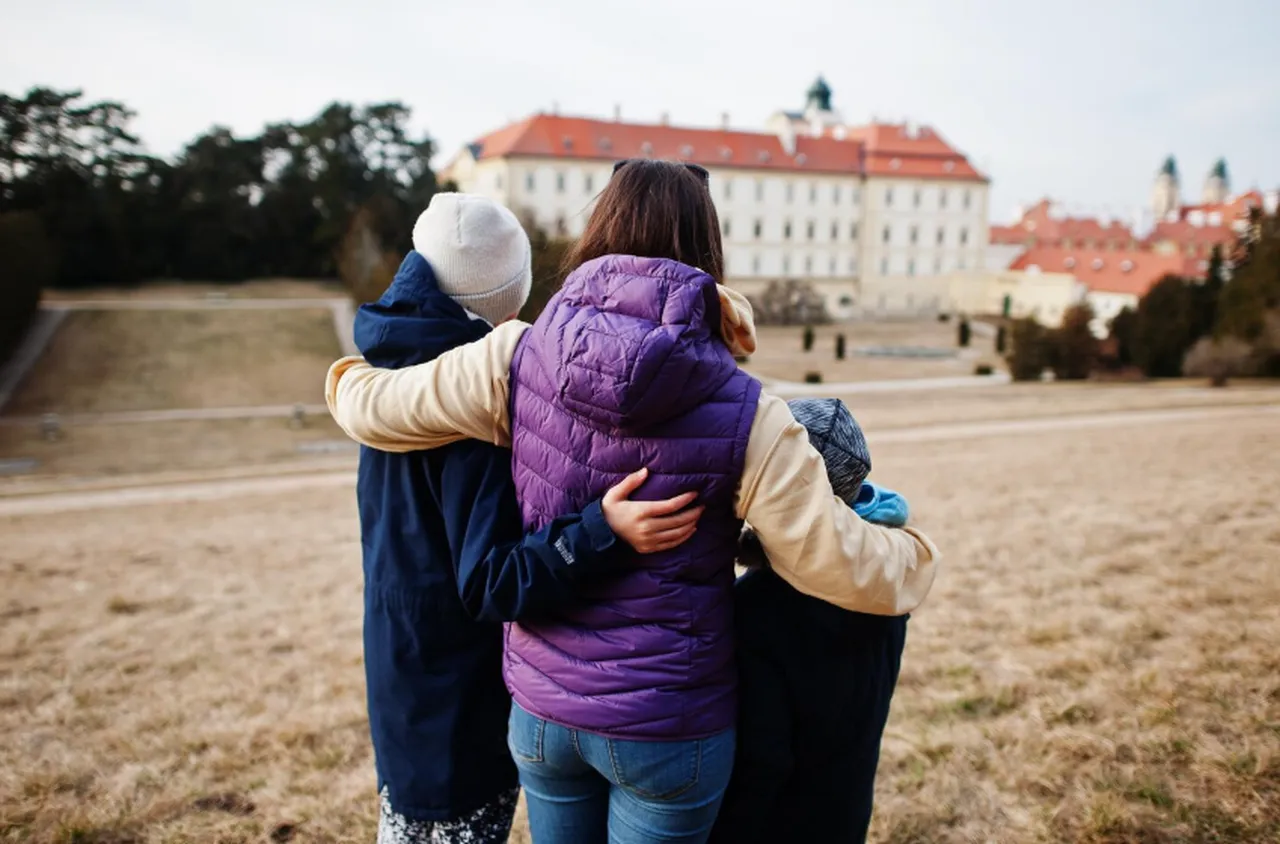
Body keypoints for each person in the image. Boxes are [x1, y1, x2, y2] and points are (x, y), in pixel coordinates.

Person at [327, 161, 940, 844]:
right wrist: (915, 552)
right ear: (708, 250)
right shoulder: (752, 414)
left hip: (543, 714)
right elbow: (838, 563)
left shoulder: (511, 357)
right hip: (669, 726)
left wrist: (347, 374)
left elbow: (373, 405)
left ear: (599, 229)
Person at [358, 193, 703, 844]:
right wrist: (603, 531)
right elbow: (489, 580)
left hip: (402, 669)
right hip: (454, 705)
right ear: (507, 304)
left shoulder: (391, 368)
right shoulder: (470, 410)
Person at [709, 398, 912, 844]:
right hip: (846, 813)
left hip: (774, 826)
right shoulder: (887, 581)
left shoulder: (759, 611)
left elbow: (761, 762)